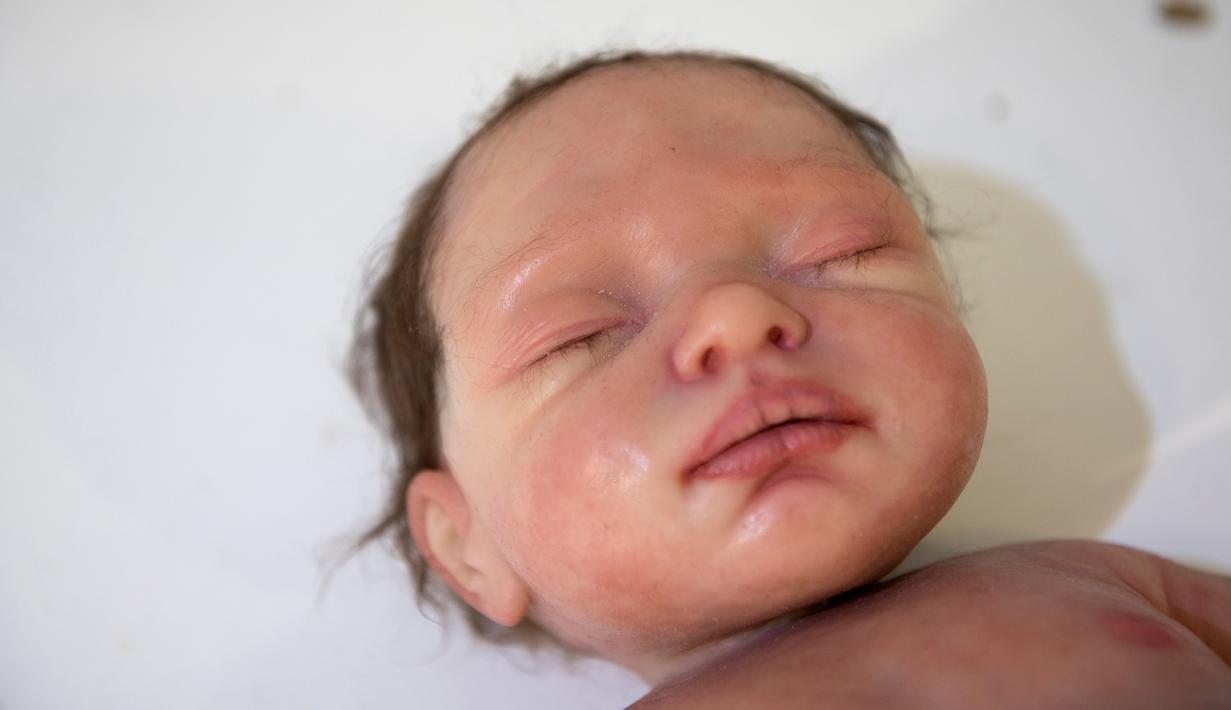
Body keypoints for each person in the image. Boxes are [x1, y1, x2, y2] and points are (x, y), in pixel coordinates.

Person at [349, 50, 1231, 707]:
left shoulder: (1104, 583)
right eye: (582, 335)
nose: (734, 316)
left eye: (838, 251)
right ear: (468, 546)